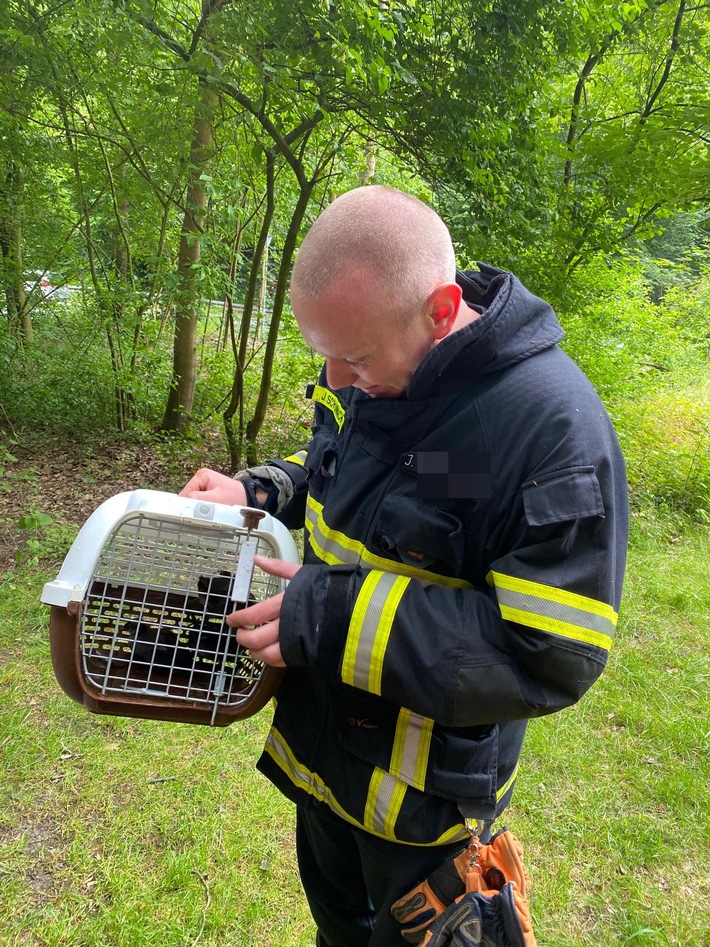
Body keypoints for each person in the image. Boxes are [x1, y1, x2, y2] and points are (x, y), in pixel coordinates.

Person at [180, 185, 628, 946]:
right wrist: (260, 489)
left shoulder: (544, 432)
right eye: (327, 355)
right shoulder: (382, 361)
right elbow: (349, 464)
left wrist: (324, 616)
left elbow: (546, 653)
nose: (339, 380)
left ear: (442, 309)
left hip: (422, 817)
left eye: (352, 359)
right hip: (323, 767)